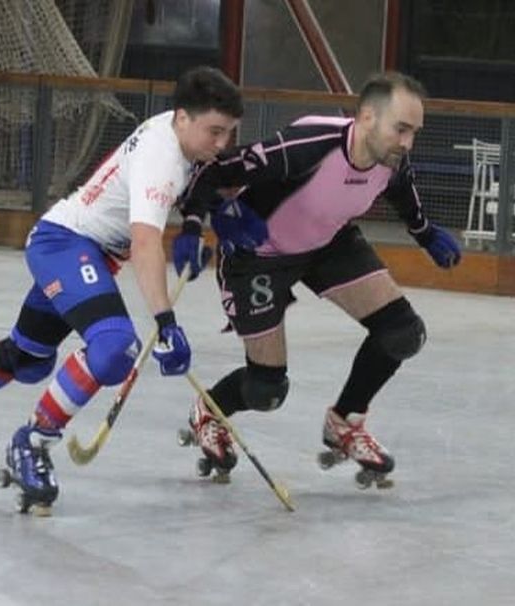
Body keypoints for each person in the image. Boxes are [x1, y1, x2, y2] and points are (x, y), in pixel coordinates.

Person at [0, 66, 244, 512]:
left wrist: (194, 224)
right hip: (67, 245)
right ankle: (33, 442)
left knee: (29, 357)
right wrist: (165, 321)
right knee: (114, 346)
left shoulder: (181, 141)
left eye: (228, 134)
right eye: (215, 132)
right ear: (182, 119)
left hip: (78, 248)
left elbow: (197, 184)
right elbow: (144, 241)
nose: (221, 145)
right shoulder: (161, 155)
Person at [171, 71, 462, 487]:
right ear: (365, 118)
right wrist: (198, 223)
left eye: (414, 132)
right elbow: (213, 171)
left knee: (402, 332)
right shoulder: (309, 144)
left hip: (327, 242)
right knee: (267, 390)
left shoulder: (391, 158)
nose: (408, 143)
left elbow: (403, 190)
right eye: (401, 129)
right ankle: (210, 411)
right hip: (259, 256)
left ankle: (344, 423)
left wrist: (425, 232)